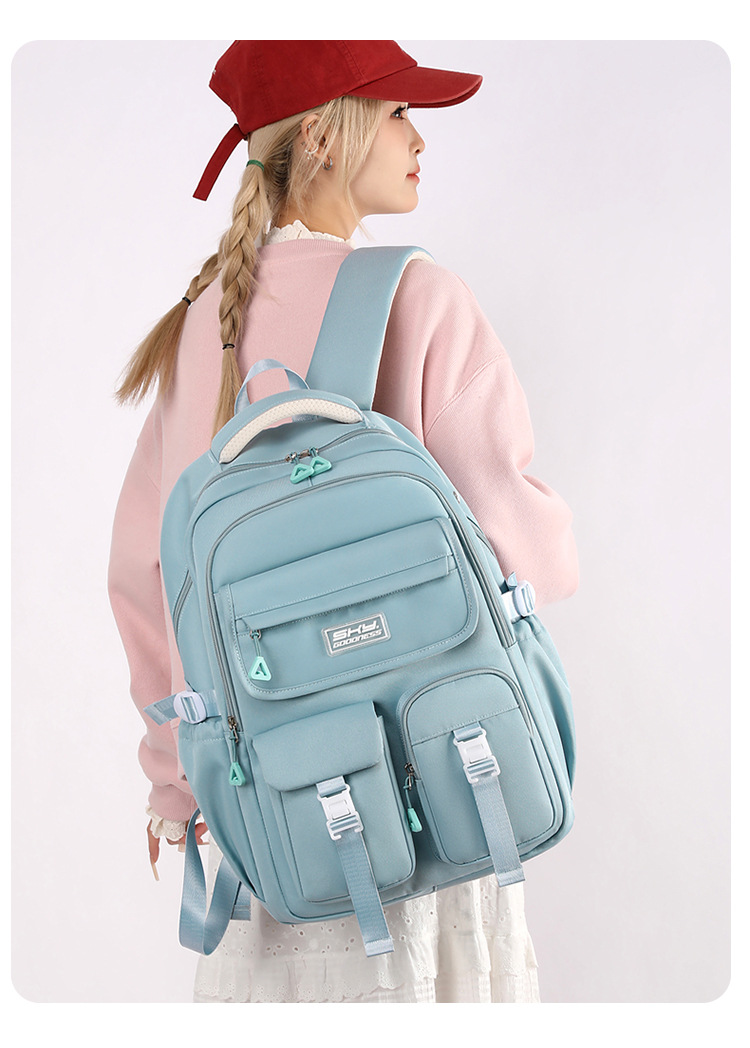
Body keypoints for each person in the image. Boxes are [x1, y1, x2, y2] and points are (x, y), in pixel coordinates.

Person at [108, 39, 579, 1004]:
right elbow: (522, 554)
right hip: (437, 795)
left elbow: (147, 574)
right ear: (326, 135)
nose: (419, 139)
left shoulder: (198, 321)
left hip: (270, 815)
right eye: (399, 113)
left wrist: (175, 786)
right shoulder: (420, 296)